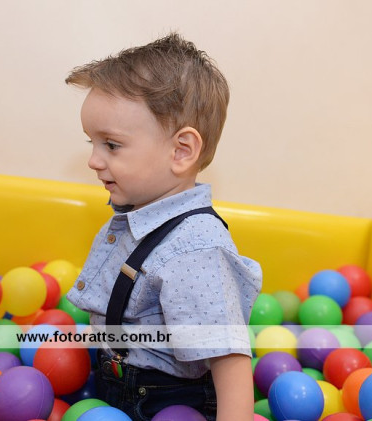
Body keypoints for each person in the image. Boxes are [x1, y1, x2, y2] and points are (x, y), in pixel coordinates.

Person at [64, 33, 262, 421]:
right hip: (118, 377)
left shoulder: (194, 249)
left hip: (163, 402)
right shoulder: (138, 210)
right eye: (92, 143)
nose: (93, 160)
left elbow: (229, 358)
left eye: (111, 145)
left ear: (181, 151)